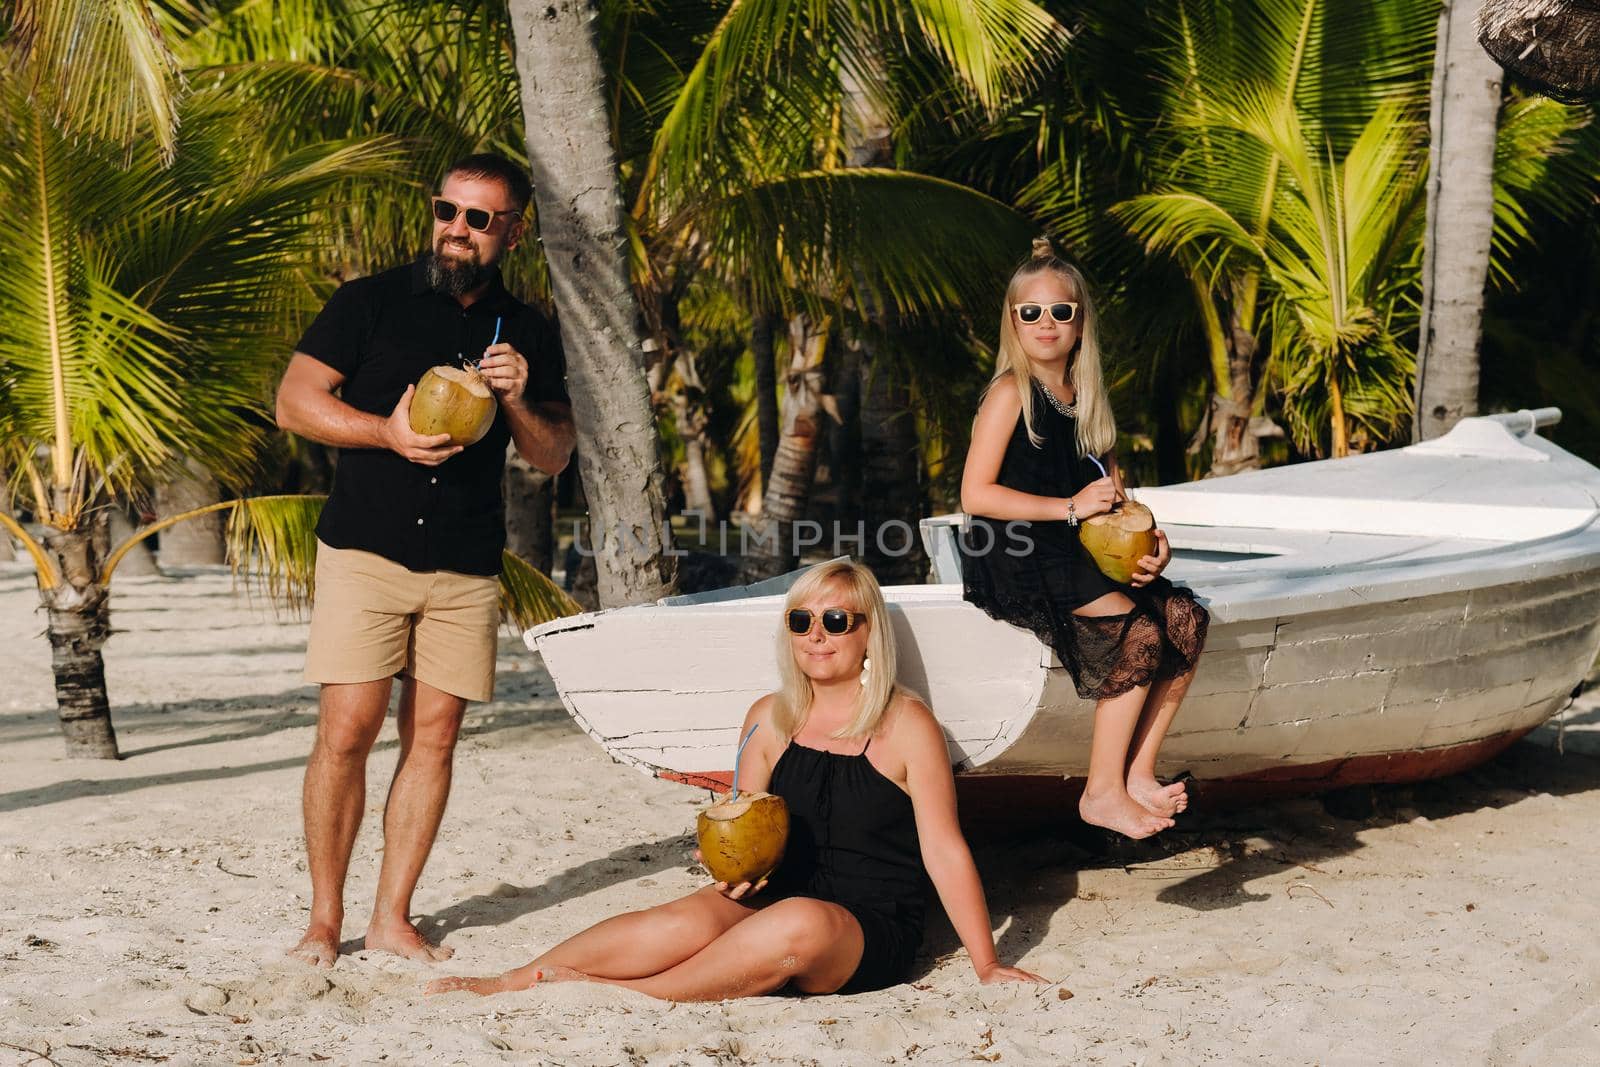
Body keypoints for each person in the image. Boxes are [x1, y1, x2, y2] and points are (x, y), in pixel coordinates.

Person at [424, 559, 1046, 1000]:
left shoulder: (907, 724)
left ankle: (626, 994)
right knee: (682, 922)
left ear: (868, 635)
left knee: (800, 921)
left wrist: (986, 963)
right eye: (801, 621)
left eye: (838, 621)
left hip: (865, 924)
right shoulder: (768, 718)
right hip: (776, 894)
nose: (817, 635)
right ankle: (517, 978)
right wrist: (724, 865)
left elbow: (943, 848)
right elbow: (744, 824)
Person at [274, 153, 576, 966]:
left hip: (466, 563)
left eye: (480, 219)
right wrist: (385, 432)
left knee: (434, 737)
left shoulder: (528, 331)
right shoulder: (367, 302)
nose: (457, 230)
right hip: (366, 546)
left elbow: (553, 455)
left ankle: (392, 917)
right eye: (449, 211)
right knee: (347, 730)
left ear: (512, 230)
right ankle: (322, 920)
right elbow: (294, 401)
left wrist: (516, 398)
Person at [959, 238, 1208, 841]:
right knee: (1137, 635)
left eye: (1061, 312)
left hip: (1074, 549)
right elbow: (975, 495)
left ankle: (1139, 773)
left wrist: (1155, 548)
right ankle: (1101, 792)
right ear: (1013, 321)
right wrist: (1068, 507)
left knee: (1185, 618)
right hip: (1016, 552)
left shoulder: (1088, 401)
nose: (1046, 323)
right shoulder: (1009, 394)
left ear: (1080, 324)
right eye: (1031, 312)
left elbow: (1119, 502)